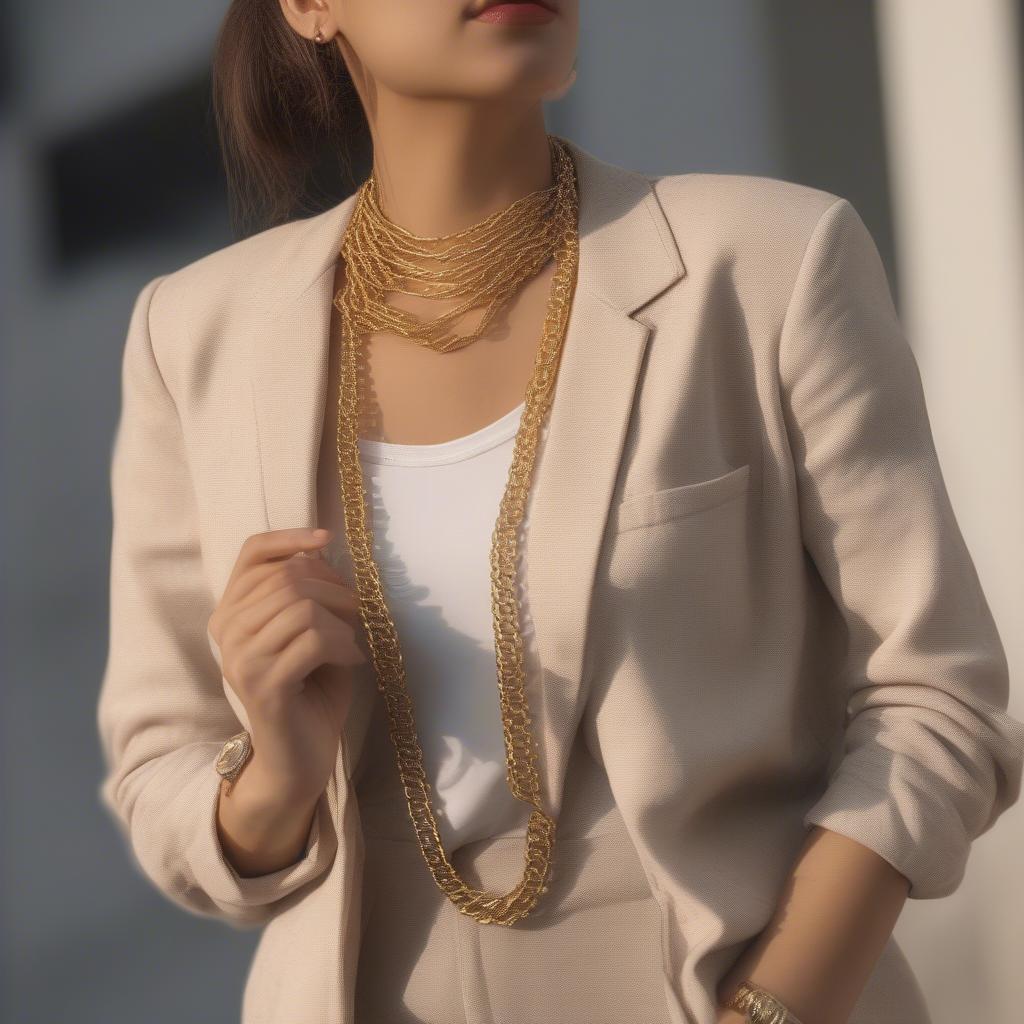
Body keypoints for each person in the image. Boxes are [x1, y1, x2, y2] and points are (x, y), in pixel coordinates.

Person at [95, 2, 1024, 1023]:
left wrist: (774, 1006)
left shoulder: (764, 261)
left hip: (716, 980)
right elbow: (158, 766)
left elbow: (937, 698)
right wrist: (274, 772)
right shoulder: (196, 335)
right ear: (311, 8)